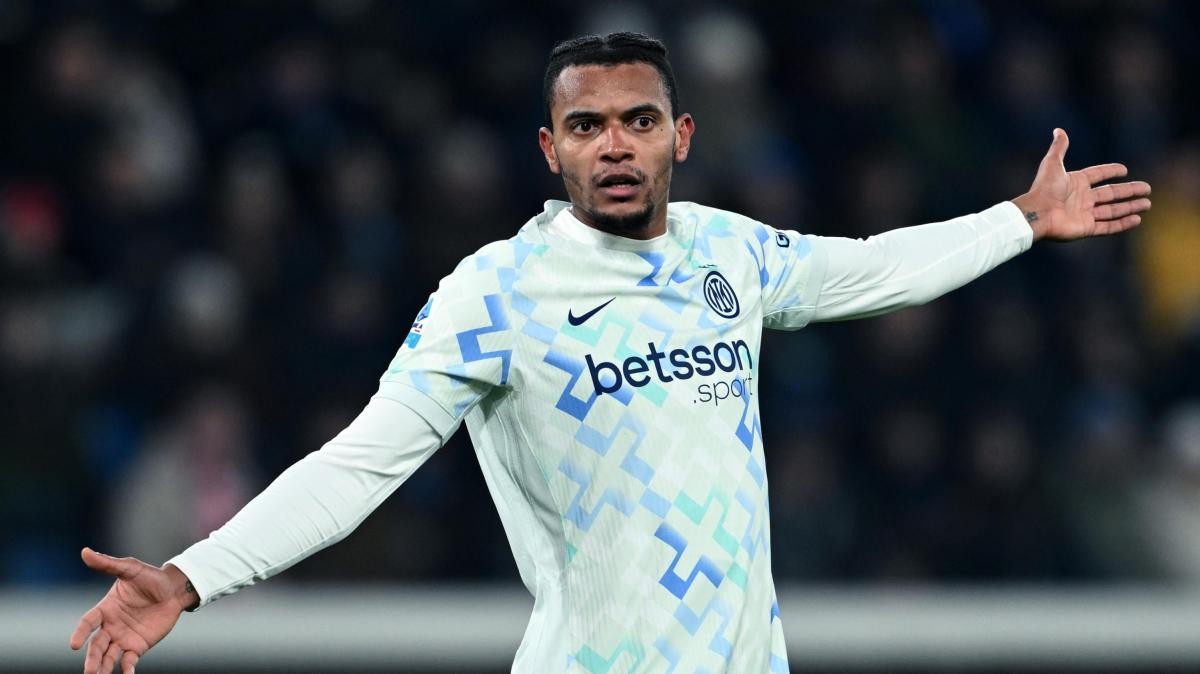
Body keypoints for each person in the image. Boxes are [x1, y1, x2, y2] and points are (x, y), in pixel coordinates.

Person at [69, 32, 1152, 674]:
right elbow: (359, 464)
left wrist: (1020, 219)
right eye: (588, 128)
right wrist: (192, 576)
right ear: (552, 150)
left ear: (682, 135)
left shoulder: (730, 251)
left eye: (638, 120)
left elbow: (870, 269)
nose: (616, 145)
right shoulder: (499, 292)